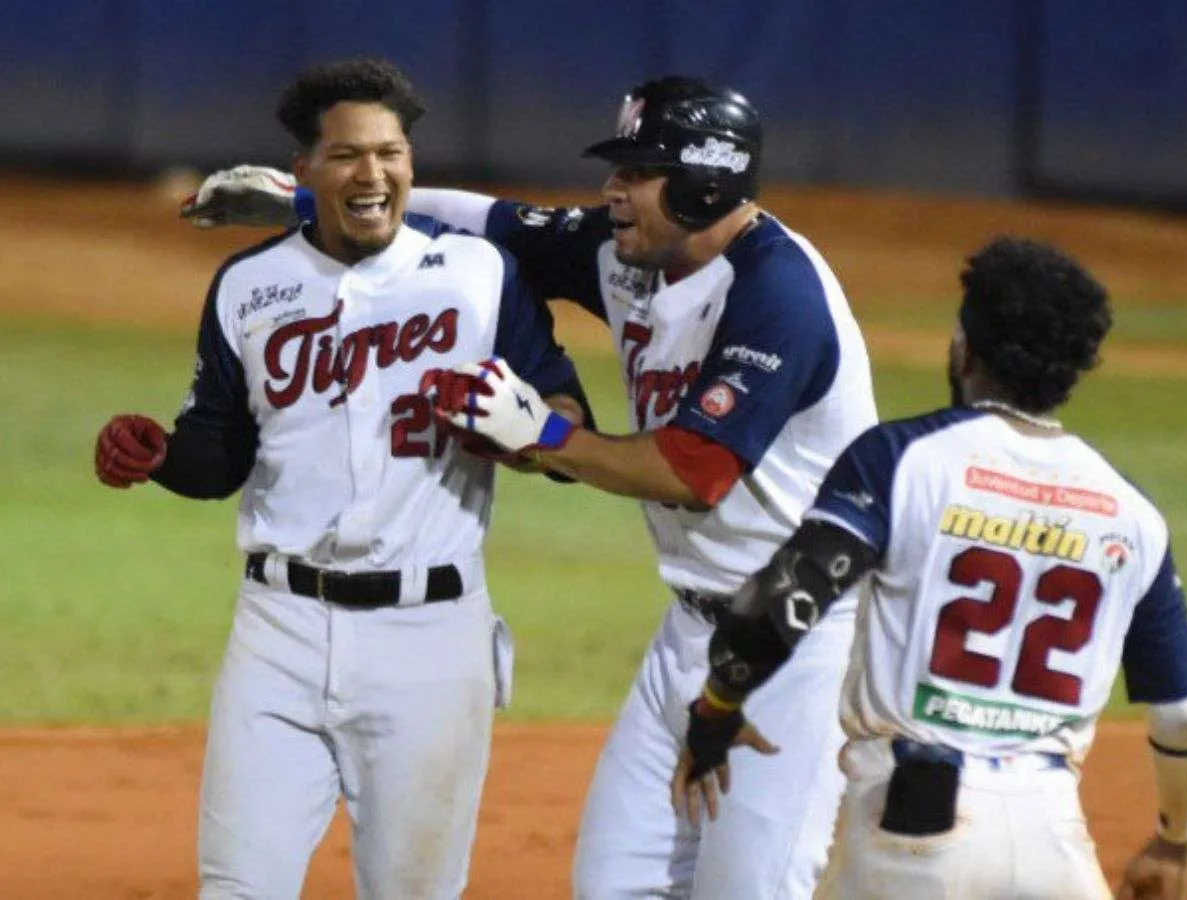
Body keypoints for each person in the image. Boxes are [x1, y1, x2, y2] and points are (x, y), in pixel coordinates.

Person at [181, 76, 879, 899]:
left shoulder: (779, 295)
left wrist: (544, 434)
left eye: (637, 172)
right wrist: (307, 200)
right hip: (688, 632)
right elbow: (485, 219)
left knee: (748, 890)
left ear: (706, 183)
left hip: (797, 640)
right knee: (614, 883)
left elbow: (694, 474)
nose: (611, 192)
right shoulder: (629, 251)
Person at [95, 58, 589, 900]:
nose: (374, 174)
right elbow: (219, 452)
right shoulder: (250, 285)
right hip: (276, 632)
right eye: (349, 156)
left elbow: (565, 412)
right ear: (305, 174)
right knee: (236, 887)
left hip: (430, 640)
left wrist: (527, 432)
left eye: (391, 153)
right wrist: (161, 457)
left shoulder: (477, 273)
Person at [668, 236, 1187, 899]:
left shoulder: (901, 457)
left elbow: (778, 608)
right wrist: (1176, 839)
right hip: (1053, 839)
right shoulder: (1133, 514)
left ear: (967, 347)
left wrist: (717, 706)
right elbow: (1183, 717)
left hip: (913, 833)